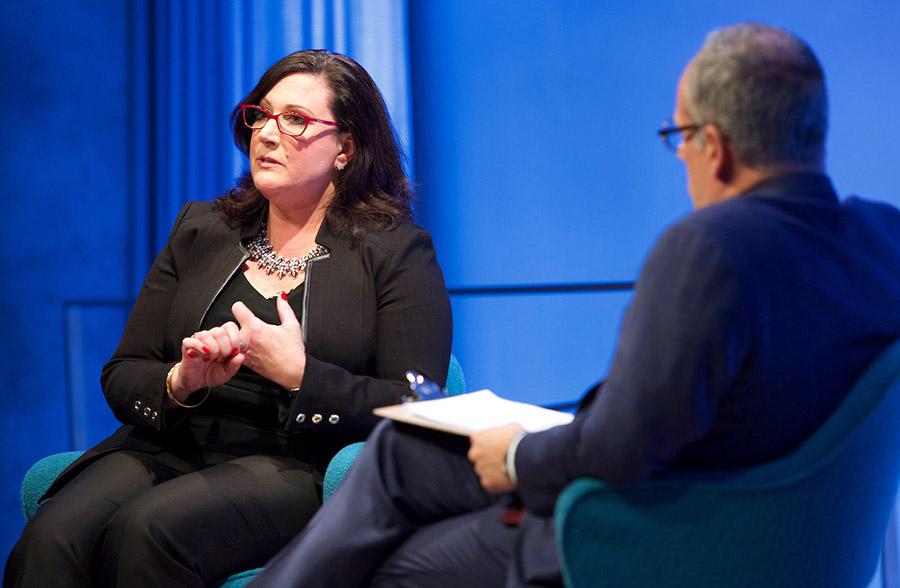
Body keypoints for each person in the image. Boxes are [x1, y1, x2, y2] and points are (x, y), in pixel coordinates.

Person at [247, 23, 900, 588]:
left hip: (650, 529)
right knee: (401, 451)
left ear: (717, 147)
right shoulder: (882, 239)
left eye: (681, 138)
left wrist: (516, 457)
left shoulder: (710, 249)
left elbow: (622, 449)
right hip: (756, 508)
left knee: (384, 565)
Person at [4, 49, 451, 587]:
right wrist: (180, 380)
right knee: (53, 538)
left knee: (147, 531)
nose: (266, 133)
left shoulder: (394, 252)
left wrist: (301, 377)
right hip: (172, 443)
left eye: (295, 120)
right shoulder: (203, 229)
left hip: (297, 463)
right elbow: (124, 369)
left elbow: (417, 404)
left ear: (346, 149)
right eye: (259, 115)